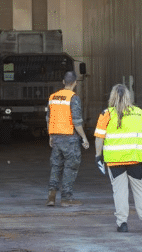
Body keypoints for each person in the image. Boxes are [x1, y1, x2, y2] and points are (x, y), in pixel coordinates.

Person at [94, 84, 142, 233]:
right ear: (128, 96)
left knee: (120, 192)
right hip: (136, 159)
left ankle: (122, 224)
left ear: (112, 97)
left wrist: (98, 156)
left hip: (115, 161)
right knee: (140, 191)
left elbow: (99, 139)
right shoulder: (139, 113)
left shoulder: (105, 114)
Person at [46, 70, 89, 207]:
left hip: (56, 138)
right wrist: (84, 138)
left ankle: (51, 197)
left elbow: (48, 119)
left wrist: (51, 135)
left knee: (56, 166)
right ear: (75, 83)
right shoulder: (73, 98)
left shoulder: (53, 97)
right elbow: (76, 122)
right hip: (70, 138)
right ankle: (66, 198)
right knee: (70, 167)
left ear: (63, 82)